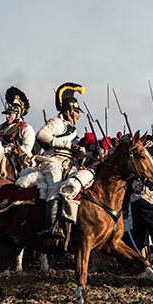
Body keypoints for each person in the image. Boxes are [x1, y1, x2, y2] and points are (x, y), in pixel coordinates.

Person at [35, 82, 93, 239]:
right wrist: (68, 145)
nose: (79, 115)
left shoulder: (72, 129)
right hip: (52, 161)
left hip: (67, 164)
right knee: (55, 184)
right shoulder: (57, 122)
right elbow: (41, 135)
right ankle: (51, 226)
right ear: (69, 111)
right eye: (77, 112)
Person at [0, 86, 36, 163]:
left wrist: (6, 149)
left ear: (18, 114)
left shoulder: (27, 128)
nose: (7, 116)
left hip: (20, 163)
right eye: (6, 114)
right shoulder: (1, 127)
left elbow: (26, 149)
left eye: (10, 114)